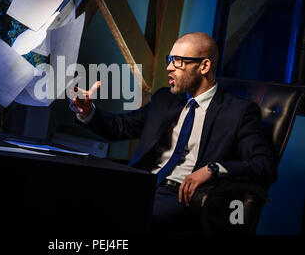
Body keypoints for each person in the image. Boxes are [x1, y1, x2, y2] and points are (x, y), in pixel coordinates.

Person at [69, 32, 277, 234]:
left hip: (186, 197)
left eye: (178, 61)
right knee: (78, 201)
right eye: (170, 59)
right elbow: (121, 127)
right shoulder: (164, 99)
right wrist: (88, 112)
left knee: (122, 217)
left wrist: (213, 169)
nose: (169, 67)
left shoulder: (238, 112)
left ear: (204, 66)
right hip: (145, 184)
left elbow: (264, 165)